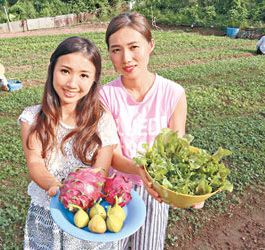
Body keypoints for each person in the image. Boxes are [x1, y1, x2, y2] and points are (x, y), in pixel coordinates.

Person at [99, 12, 203, 250]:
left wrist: (191, 189)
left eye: (134, 46)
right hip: (116, 188)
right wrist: (140, 170)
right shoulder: (104, 95)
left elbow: (177, 149)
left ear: (151, 45)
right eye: (116, 50)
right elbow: (110, 154)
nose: (126, 58)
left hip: (156, 190)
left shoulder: (173, 93)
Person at [18, 36, 121, 249]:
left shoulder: (102, 120)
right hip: (48, 212)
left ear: (94, 79)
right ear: (52, 69)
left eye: (84, 75)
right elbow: (35, 164)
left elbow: (100, 171)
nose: (72, 83)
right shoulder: (32, 118)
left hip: (87, 215)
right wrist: (54, 186)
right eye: (65, 71)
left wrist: (78, 193)